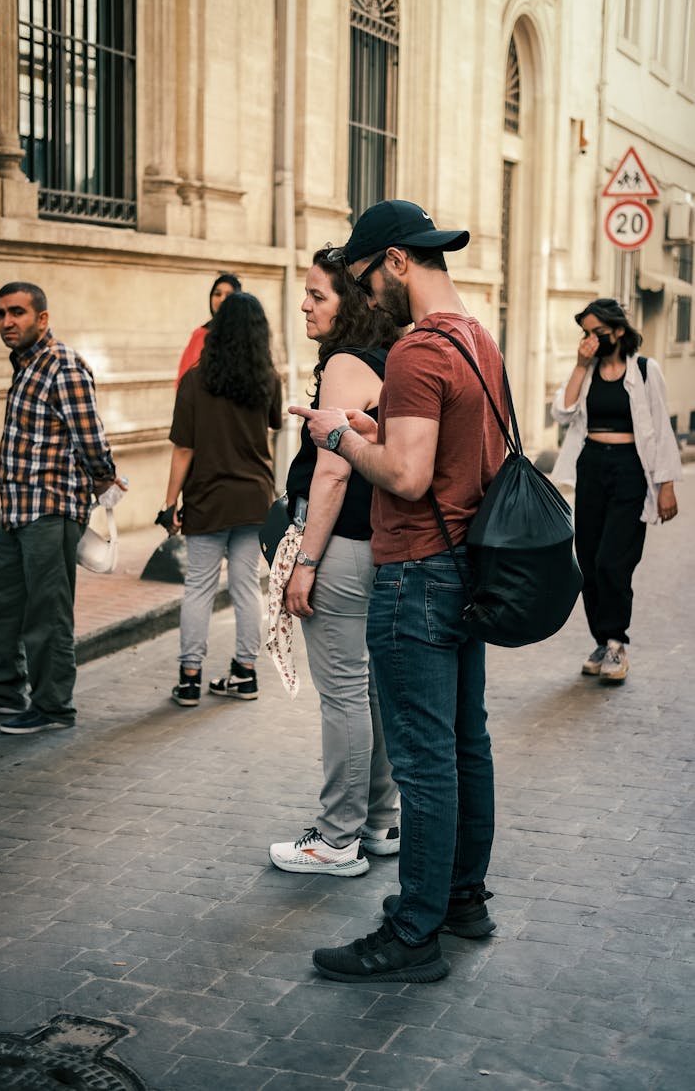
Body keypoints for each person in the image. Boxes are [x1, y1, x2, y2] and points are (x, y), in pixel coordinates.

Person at [289, 199, 507, 984]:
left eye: (364, 275)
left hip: (415, 570)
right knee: (464, 742)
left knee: (423, 760)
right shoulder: (477, 338)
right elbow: (454, 459)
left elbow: (410, 478)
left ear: (396, 262)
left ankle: (413, 931)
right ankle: (462, 901)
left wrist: (338, 436)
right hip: (467, 566)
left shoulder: (416, 351)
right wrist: (379, 434)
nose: (365, 294)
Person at [268, 248, 400, 879]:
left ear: (349, 301)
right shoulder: (387, 355)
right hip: (375, 545)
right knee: (366, 690)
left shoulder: (346, 363)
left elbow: (332, 470)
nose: (305, 305)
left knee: (344, 694)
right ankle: (379, 820)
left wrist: (307, 561)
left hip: (342, 549)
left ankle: (337, 838)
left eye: (318, 295)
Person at [0, 282, 124, 735]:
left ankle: (53, 706)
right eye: (0, 314)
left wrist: (104, 475)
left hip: (50, 510)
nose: (7, 322)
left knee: (47, 614)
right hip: (16, 511)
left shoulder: (61, 365)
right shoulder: (27, 365)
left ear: (41, 319)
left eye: (17, 313)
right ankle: (7, 690)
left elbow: (89, 435)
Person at [161, 291, 282, 706]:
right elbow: (273, 426)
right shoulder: (268, 380)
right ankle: (245, 674)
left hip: (207, 498)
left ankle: (190, 678)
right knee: (247, 587)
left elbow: (183, 449)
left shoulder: (195, 380)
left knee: (198, 587)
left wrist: (169, 502)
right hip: (253, 498)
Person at [551, 298, 681, 682]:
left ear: (619, 331)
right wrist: (578, 364)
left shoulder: (644, 370)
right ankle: (601, 639)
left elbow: (660, 427)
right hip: (591, 466)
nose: (590, 339)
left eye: (597, 332)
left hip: (630, 470)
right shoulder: (587, 371)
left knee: (613, 561)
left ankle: (616, 644)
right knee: (588, 561)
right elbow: (562, 412)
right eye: (585, 333)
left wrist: (666, 485)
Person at [176, 273, 241, 386]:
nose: (222, 299)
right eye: (217, 294)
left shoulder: (247, 335)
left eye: (229, 294)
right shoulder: (200, 334)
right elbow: (183, 379)